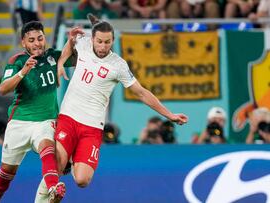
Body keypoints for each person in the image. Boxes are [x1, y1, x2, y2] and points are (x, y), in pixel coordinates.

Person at [35, 14, 188, 200]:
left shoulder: (119, 65)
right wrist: (60, 63)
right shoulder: (83, 43)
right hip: (68, 118)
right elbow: (71, 43)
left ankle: (73, 159)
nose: (103, 46)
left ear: (113, 40)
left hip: (92, 128)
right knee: (55, 167)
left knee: (82, 181)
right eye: (99, 41)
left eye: (107, 42)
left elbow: (141, 92)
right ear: (92, 39)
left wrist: (169, 115)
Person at [0, 21, 82, 203]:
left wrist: (71, 42)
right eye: (31, 40)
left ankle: (54, 188)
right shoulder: (17, 61)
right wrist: (23, 72)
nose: (37, 43)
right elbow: (3, 89)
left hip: (45, 120)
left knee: (47, 149)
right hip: (19, 122)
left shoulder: (52, 56)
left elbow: (74, 58)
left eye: (40, 38)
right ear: (24, 43)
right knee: (6, 175)